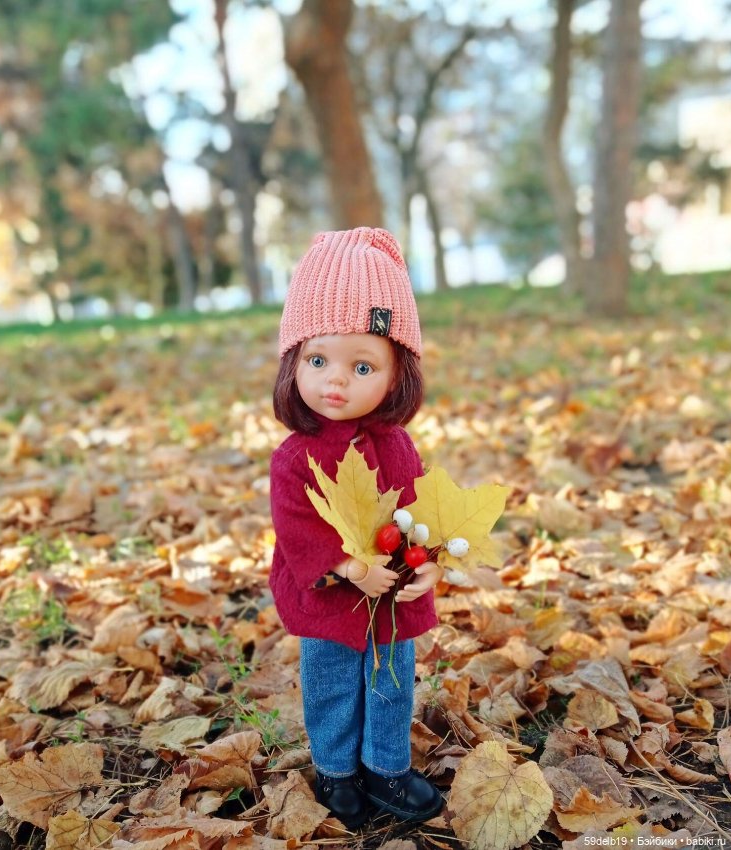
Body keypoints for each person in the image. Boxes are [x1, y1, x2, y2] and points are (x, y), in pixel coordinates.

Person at [269, 227, 444, 830]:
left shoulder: (398, 447)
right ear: (293, 362)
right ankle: (336, 771)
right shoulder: (297, 456)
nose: (334, 381)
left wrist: (427, 565)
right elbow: (296, 530)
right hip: (329, 600)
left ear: (397, 375)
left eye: (361, 365)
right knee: (331, 686)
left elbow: (420, 515)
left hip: (392, 596)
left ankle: (387, 767)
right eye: (317, 361)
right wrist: (346, 567)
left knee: (392, 682)